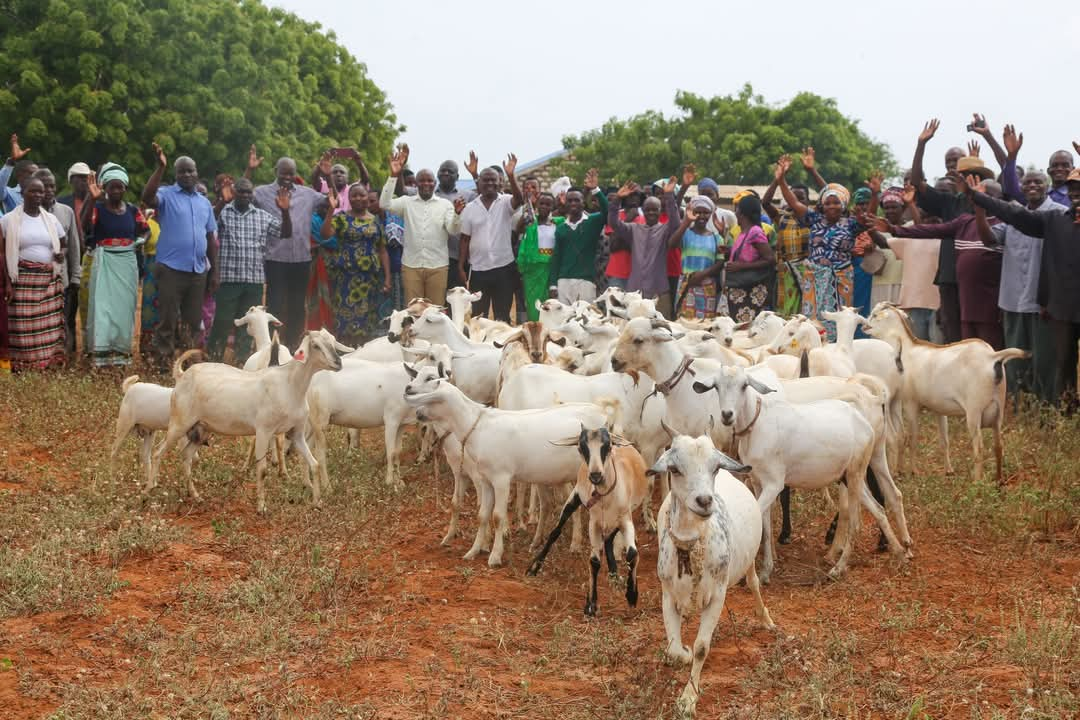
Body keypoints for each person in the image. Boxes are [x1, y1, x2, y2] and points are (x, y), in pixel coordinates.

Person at [966, 170, 1080, 405]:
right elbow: (1015, 213)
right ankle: (1063, 414)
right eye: (1072, 188)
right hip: (1063, 309)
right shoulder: (1055, 220)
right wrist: (980, 198)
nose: (1076, 192)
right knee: (1062, 362)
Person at [878, 156, 1004, 349]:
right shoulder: (957, 212)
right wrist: (894, 230)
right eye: (963, 176)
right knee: (957, 340)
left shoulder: (1003, 222)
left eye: (973, 177)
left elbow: (990, 237)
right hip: (952, 281)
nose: (969, 182)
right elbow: (927, 230)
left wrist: (979, 204)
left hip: (987, 292)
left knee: (988, 343)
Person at [141, 144, 218, 367]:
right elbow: (147, 198)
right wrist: (160, 168)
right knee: (167, 319)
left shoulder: (204, 203)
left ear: (197, 173)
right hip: (171, 269)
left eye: (190, 171)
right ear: (176, 175)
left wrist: (214, 272)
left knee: (194, 321)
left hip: (197, 271)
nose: (186, 174)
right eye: (182, 171)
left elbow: (210, 239)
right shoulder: (166, 195)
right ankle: (163, 363)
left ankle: (189, 363)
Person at [774, 155, 866, 342]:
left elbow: (868, 216)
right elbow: (793, 202)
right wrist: (781, 180)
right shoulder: (813, 219)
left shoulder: (851, 224)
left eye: (836, 202)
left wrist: (874, 192)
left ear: (843, 205)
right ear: (822, 205)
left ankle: (838, 356)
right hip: (815, 278)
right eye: (827, 202)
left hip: (841, 280)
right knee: (812, 321)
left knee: (841, 321)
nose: (831, 206)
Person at [207, 178, 290, 363]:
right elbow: (209, 222)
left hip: (254, 280)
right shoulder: (224, 213)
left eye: (248, 192)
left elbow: (285, 232)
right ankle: (213, 360)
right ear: (235, 193)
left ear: (252, 194)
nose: (245, 195)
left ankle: (243, 361)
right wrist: (221, 201)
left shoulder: (262, 215)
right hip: (229, 279)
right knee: (222, 322)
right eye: (241, 191)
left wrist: (285, 211)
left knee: (249, 326)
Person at [252, 153, 325, 349]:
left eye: (291, 174)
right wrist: (250, 170)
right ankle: (270, 346)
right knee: (274, 304)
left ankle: (292, 345)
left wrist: (324, 174)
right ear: (276, 171)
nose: (287, 177)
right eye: (283, 173)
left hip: (301, 259)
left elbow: (331, 201)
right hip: (275, 258)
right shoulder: (261, 192)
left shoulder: (308, 194)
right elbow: (241, 193)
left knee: (297, 306)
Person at [80, 163, 148, 367]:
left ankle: (120, 357)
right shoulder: (98, 209)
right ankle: (100, 358)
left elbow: (145, 229)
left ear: (125, 188)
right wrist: (91, 199)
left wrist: (140, 240)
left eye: (120, 187)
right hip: (104, 263)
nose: (117, 190)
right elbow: (84, 226)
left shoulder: (133, 210)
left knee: (124, 310)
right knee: (102, 309)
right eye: (112, 187)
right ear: (106, 189)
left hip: (126, 262)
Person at [380, 145, 465, 306]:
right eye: (422, 181)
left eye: (429, 180)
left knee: (434, 312)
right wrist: (393, 176)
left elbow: (453, 230)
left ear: (435, 183)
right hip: (411, 266)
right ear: (416, 184)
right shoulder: (407, 202)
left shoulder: (445, 204)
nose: (426, 183)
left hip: (438, 266)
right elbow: (384, 204)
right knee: (413, 311)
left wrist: (457, 214)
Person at [0, 177, 67, 370]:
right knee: (22, 327)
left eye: (41, 192)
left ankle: (46, 364)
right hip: (21, 280)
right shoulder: (8, 220)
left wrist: (60, 255)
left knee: (48, 327)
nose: (38, 195)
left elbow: (62, 244)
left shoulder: (51, 219)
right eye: (33, 191)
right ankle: (23, 366)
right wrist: (7, 283)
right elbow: (3, 254)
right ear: (23, 193)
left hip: (48, 281)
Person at [320, 183, 391, 347]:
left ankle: (362, 353)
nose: (358, 198)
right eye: (354, 196)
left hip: (369, 280)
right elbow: (325, 234)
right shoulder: (341, 218)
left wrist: (387, 278)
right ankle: (344, 353)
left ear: (368, 197)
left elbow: (382, 250)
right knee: (344, 319)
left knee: (367, 318)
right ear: (349, 199)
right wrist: (331, 210)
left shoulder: (376, 220)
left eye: (362, 195)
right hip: (345, 279)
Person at [869, 185, 942, 341]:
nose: (889, 211)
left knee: (933, 344)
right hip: (906, 296)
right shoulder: (901, 236)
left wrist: (911, 204)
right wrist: (868, 227)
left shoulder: (913, 230)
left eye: (894, 207)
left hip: (925, 297)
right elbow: (883, 242)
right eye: (886, 207)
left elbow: (919, 227)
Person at [458, 156, 524, 322]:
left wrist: (511, 175)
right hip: (479, 271)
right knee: (478, 318)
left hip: (504, 269)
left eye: (493, 180)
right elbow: (465, 239)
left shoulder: (506, 202)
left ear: (499, 182)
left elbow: (520, 200)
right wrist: (460, 266)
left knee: (502, 317)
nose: (489, 183)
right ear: (478, 183)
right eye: (485, 180)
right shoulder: (469, 209)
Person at [607, 177, 681, 318]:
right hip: (635, 293)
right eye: (647, 210)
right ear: (643, 211)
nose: (651, 213)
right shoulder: (634, 229)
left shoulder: (665, 230)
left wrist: (669, 196)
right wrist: (617, 199)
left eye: (655, 210)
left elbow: (676, 223)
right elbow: (614, 223)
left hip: (659, 292)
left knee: (661, 330)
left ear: (660, 211)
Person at [33, 169, 81, 359]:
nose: (49, 190)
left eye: (52, 186)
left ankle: (64, 359)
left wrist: (76, 276)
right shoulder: (26, 213)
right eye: (45, 186)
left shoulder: (66, 212)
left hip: (63, 280)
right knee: (40, 322)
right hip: (36, 280)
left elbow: (74, 247)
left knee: (65, 322)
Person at [547, 169, 607, 304]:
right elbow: (557, 257)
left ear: (583, 203)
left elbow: (608, 212)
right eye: (570, 200)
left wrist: (595, 190)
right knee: (564, 323)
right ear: (565, 203)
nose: (573, 203)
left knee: (585, 321)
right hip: (563, 282)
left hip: (586, 282)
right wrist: (553, 284)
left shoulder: (593, 221)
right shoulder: (561, 228)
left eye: (576, 200)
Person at [720, 195, 776, 322]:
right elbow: (748, 254)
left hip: (750, 290)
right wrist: (729, 251)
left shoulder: (755, 232)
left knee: (746, 328)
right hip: (741, 288)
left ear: (743, 213)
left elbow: (770, 259)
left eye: (737, 209)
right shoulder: (744, 232)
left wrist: (741, 266)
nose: (735, 212)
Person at [670, 195, 723, 320]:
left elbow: (720, 262)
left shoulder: (716, 238)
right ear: (692, 213)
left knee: (704, 325)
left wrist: (702, 274)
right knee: (684, 323)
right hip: (687, 285)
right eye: (698, 212)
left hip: (707, 286)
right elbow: (671, 244)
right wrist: (686, 222)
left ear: (710, 214)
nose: (702, 216)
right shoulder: (685, 234)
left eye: (705, 212)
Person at [57, 162, 90, 355]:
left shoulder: (99, 203)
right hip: (68, 263)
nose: (83, 182)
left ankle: (89, 351)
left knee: (89, 311)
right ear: (71, 180)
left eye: (86, 178)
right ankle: (69, 353)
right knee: (67, 312)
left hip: (91, 260)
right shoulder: (62, 203)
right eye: (79, 178)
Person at [516, 192, 563, 321]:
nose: (544, 206)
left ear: (553, 207)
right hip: (532, 272)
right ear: (536, 204)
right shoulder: (530, 225)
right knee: (534, 305)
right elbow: (520, 242)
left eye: (548, 204)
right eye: (541, 203)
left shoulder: (558, 224)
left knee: (551, 304)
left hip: (551, 270)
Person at [435, 159, 476, 291]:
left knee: (456, 299)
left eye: (450, 171)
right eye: (443, 170)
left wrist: (475, 174)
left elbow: (484, 196)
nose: (446, 173)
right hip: (433, 257)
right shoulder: (429, 195)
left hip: (457, 258)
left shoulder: (467, 196)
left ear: (457, 177)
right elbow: (404, 191)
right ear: (437, 174)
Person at [367, 188, 405, 312]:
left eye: (372, 201)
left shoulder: (396, 218)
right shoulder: (368, 221)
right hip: (373, 268)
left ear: (381, 201)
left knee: (396, 303)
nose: (368, 204)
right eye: (367, 201)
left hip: (395, 266)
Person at [604, 187, 644, 290]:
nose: (634, 198)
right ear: (624, 197)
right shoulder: (615, 217)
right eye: (630, 195)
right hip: (617, 272)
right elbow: (613, 246)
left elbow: (641, 248)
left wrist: (625, 241)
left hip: (638, 274)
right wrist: (628, 219)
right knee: (615, 305)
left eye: (637, 195)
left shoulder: (645, 218)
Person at [139, 208, 160, 355]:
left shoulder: (172, 223)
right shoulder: (149, 223)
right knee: (149, 312)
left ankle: (165, 350)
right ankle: (148, 352)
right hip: (152, 271)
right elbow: (140, 242)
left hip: (171, 271)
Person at [0, 134, 36, 213]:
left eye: (36, 173)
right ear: (19, 176)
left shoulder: (41, 194)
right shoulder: (10, 193)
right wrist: (11, 162)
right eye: (31, 173)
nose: (34, 177)